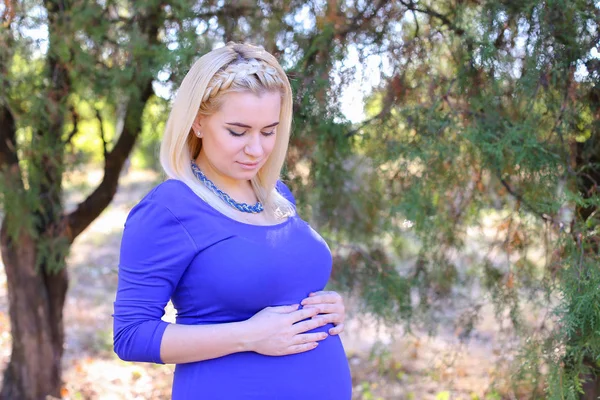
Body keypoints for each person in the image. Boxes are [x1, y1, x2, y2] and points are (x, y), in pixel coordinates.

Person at [112, 42, 352, 399]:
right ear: (197, 121)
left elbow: (275, 282)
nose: (256, 148)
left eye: (269, 131)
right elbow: (131, 335)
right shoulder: (169, 209)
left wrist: (326, 307)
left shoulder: (277, 195)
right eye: (238, 131)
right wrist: (249, 335)